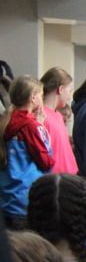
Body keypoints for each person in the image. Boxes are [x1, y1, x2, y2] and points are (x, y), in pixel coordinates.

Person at [0, 75, 54, 229]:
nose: (42, 99)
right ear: (33, 98)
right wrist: (41, 127)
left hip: (6, 200)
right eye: (41, 95)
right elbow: (46, 162)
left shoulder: (4, 122)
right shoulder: (31, 126)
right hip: (25, 202)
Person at [40, 67, 78, 174]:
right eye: (69, 91)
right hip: (54, 179)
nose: (69, 96)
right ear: (60, 89)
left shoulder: (58, 115)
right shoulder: (41, 116)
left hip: (68, 177)